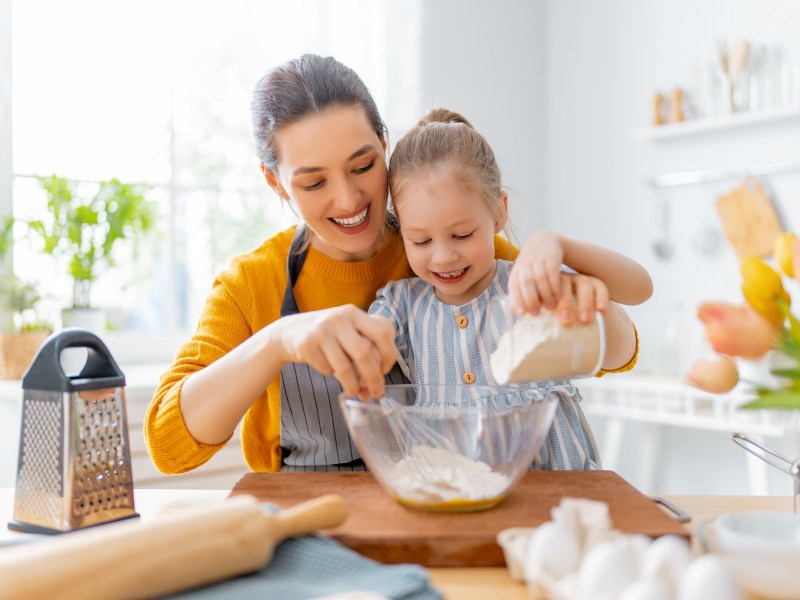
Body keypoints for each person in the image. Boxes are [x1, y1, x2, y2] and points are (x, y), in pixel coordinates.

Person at [144, 54, 652, 474]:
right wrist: (279, 340)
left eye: (363, 166)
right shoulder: (253, 283)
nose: (348, 199)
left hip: (446, 499)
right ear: (276, 183)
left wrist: (567, 270)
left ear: (385, 148)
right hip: (314, 516)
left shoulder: (454, 247)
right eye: (314, 182)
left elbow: (614, 348)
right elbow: (169, 447)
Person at [368, 108, 652, 469]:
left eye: (462, 235)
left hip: (557, 497)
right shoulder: (401, 305)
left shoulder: (532, 284)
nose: (443, 257)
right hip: (462, 504)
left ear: (499, 212)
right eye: (420, 240)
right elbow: (362, 343)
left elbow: (640, 289)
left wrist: (559, 244)